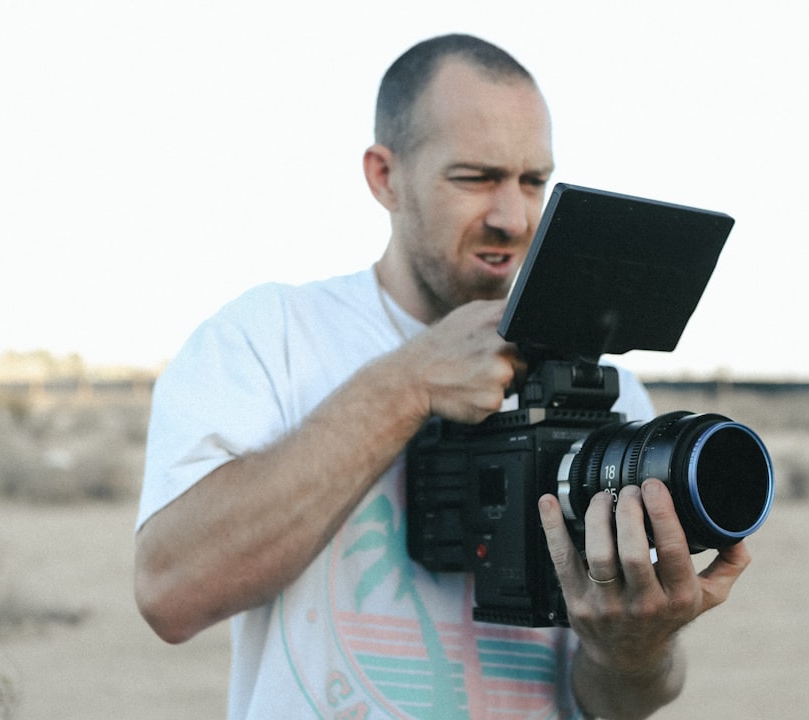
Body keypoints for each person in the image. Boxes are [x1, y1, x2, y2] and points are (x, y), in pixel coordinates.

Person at [134, 33, 751, 720]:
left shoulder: (603, 391)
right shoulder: (274, 334)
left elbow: (615, 702)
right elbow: (170, 590)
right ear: (384, 177)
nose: (512, 217)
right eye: (475, 178)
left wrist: (634, 649)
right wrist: (405, 384)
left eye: (533, 181)